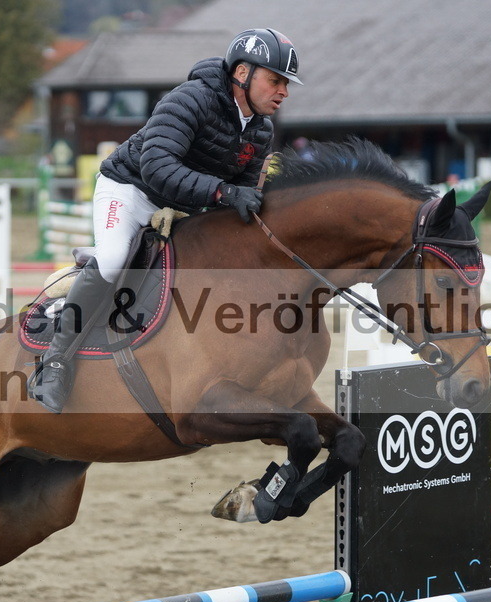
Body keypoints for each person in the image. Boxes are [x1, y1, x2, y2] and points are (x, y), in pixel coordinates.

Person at [28, 27, 301, 413]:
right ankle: (55, 362)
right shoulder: (190, 99)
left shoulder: (260, 130)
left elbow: (237, 197)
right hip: (131, 191)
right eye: (275, 80)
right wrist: (223, 193)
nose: (284, 91)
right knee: (114, 260)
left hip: (186, 206)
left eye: (286, 84)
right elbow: (157, 167)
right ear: (243, 73)